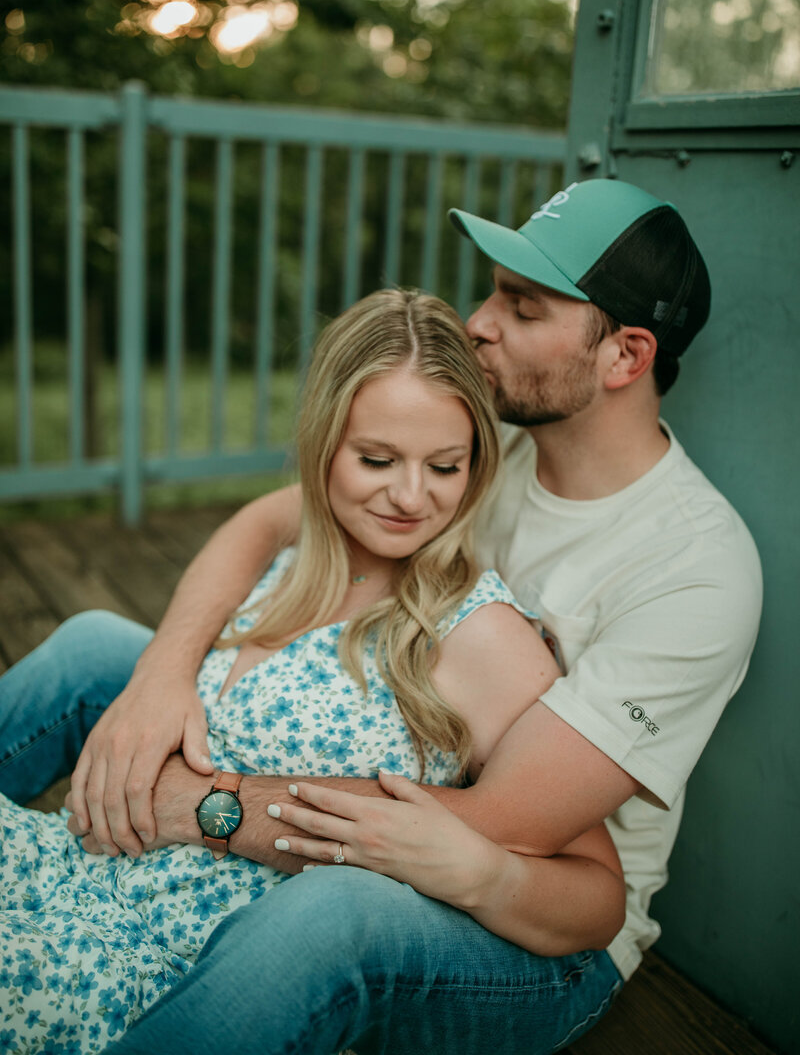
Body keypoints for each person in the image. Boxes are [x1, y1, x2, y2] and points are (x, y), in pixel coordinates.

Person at [0, 179, 762, 1055]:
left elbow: (503, 823)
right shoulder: (488, 438)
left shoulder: (697, 572)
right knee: (100, 647)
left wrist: (203, 805)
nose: (479, 322)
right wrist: (162, 678)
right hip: (395, 749)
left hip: (524, 913)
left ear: (625, 356)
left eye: (521, 306)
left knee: (335, 910)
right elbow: (279, 518)